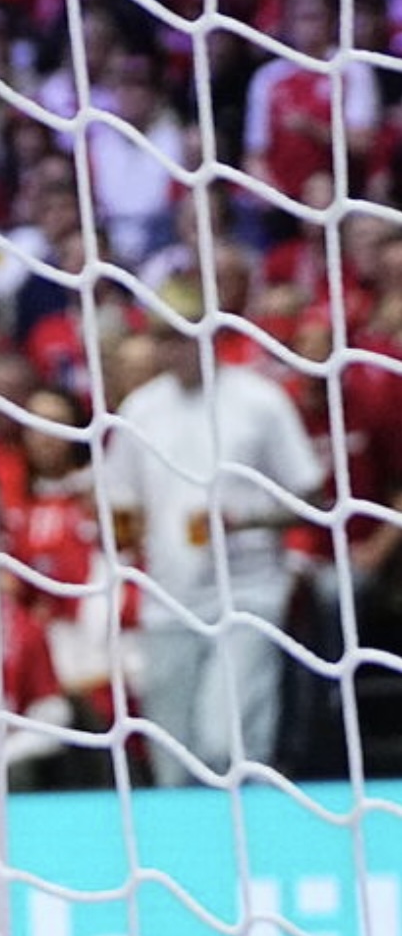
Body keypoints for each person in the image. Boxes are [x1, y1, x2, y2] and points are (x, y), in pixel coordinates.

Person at [107, 278, 327, 786]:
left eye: (181, 336)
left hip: (247, 590)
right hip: (167, 596)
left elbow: (313, 500)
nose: (171, 348)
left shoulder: (260, 400)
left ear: (209, 335)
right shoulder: (140, 409)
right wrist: (129, 536)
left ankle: (252, 833)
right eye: (162, 337)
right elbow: (121, 502)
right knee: (172, 759)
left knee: (228, 745)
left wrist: (243, 521)